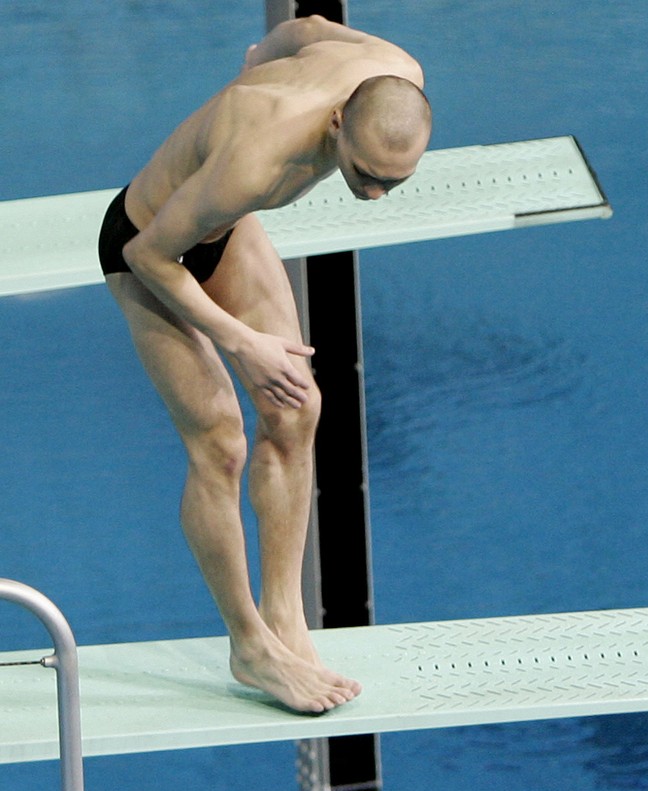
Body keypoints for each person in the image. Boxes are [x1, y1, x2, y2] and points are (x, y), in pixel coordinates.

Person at [97, 17, 431, 713]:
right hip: (148, 245)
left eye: (391, 185)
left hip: (221, 228)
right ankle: (248, 643)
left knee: (296, 406)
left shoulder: (391, 66)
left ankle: (285, 617)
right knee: (220, 439)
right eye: (365, 176)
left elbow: (305, 27)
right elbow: (149, 256)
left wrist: (261, 57)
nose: (371, 195)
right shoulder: (258, 159)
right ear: (338, 122)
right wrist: (242, 342)